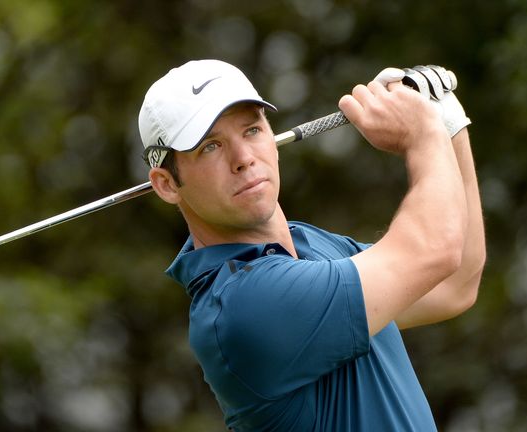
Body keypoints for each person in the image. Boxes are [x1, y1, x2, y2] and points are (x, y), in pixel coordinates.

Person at [138, 59, 485, 431]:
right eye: (210, 146)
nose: (243, 158)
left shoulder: (308, 246)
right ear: (167, 184)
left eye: (252, 130)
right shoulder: (242, 305)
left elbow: (455, 282)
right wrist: (424, 133)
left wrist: (448, 125)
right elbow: (435, 250)